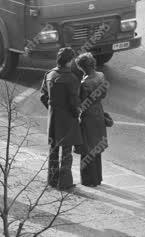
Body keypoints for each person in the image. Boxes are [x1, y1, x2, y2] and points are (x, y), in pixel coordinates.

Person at [39, 47, 82, 190]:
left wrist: (52, 109)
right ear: (69, 61)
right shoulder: (72, 79)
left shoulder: (49, 74)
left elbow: (43, 96)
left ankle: (52, 180)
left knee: (53, 150)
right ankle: (65, 182)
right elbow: (74, 103)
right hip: (68, 120)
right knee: (66, 151)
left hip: (54, 119)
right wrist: (77, 114)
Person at [75, 52, 108, 187]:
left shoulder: (85, 83)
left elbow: (80, 102)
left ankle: (89, 180)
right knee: (96, 146)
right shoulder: (101, 76)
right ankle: (98, 178)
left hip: (88, 115)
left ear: (83, 67)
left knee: (87, 148)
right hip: (99, 112)